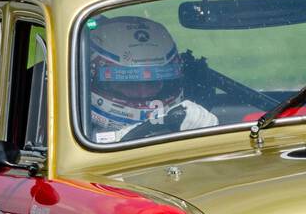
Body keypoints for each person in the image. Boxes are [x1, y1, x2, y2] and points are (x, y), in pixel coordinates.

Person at [83, 15, 217, 143]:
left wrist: (207, 135)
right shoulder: (73, 130)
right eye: (128, 84)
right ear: (91, 81)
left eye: (154, 83)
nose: (144, 93)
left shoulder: (187, 118)